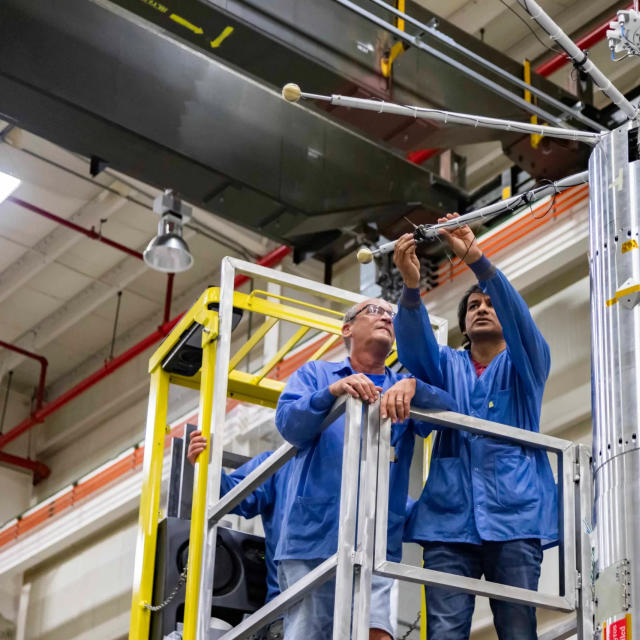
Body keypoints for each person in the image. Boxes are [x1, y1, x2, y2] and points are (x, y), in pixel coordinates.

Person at [392, 214, 557, 640]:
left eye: (489, 303)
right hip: (448, 520)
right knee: (444, 632)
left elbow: (522, 324)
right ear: (463, 325)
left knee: (519, 631)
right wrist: (411, 288)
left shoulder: (527, 365)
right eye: (472, 306)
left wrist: (479, 261)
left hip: (516, 519)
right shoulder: (447, 365)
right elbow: (414, 349)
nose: (482, 308)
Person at [275, 297, 455, 640]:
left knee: (377, 634)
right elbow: (288, 425)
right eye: (374, 311)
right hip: (313, 539)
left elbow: (450, 409)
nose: (386, 317)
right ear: (347, 329)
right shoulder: (316, 374)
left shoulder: (402, 388)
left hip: (376, 542)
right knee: (309, 633)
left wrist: (416, 386)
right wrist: (330, 394)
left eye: (391, 314)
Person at [185, 430, 288, 603]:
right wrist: (205, 465)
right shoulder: (280, 465)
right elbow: (231, 494)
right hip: (286, 606)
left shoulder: (346, 466)